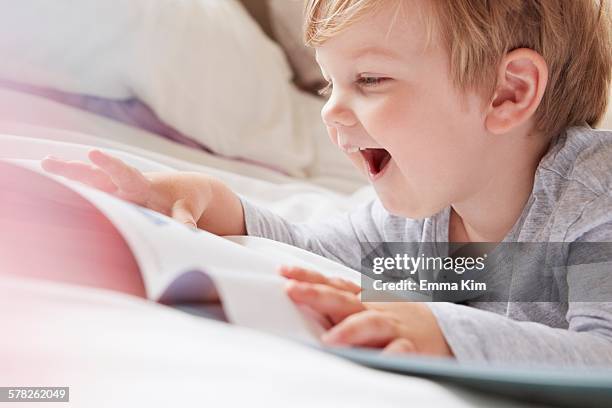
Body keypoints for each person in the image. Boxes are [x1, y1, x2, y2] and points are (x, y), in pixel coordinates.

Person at [42, 0, 612, 366]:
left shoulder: (593, 199)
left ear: (508, 93)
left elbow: (601, 356)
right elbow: (317, 250)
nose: (332, 113)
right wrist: (211, 199)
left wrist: (441, 330)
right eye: (328, 86)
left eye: (370, 78)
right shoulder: (419, 220)